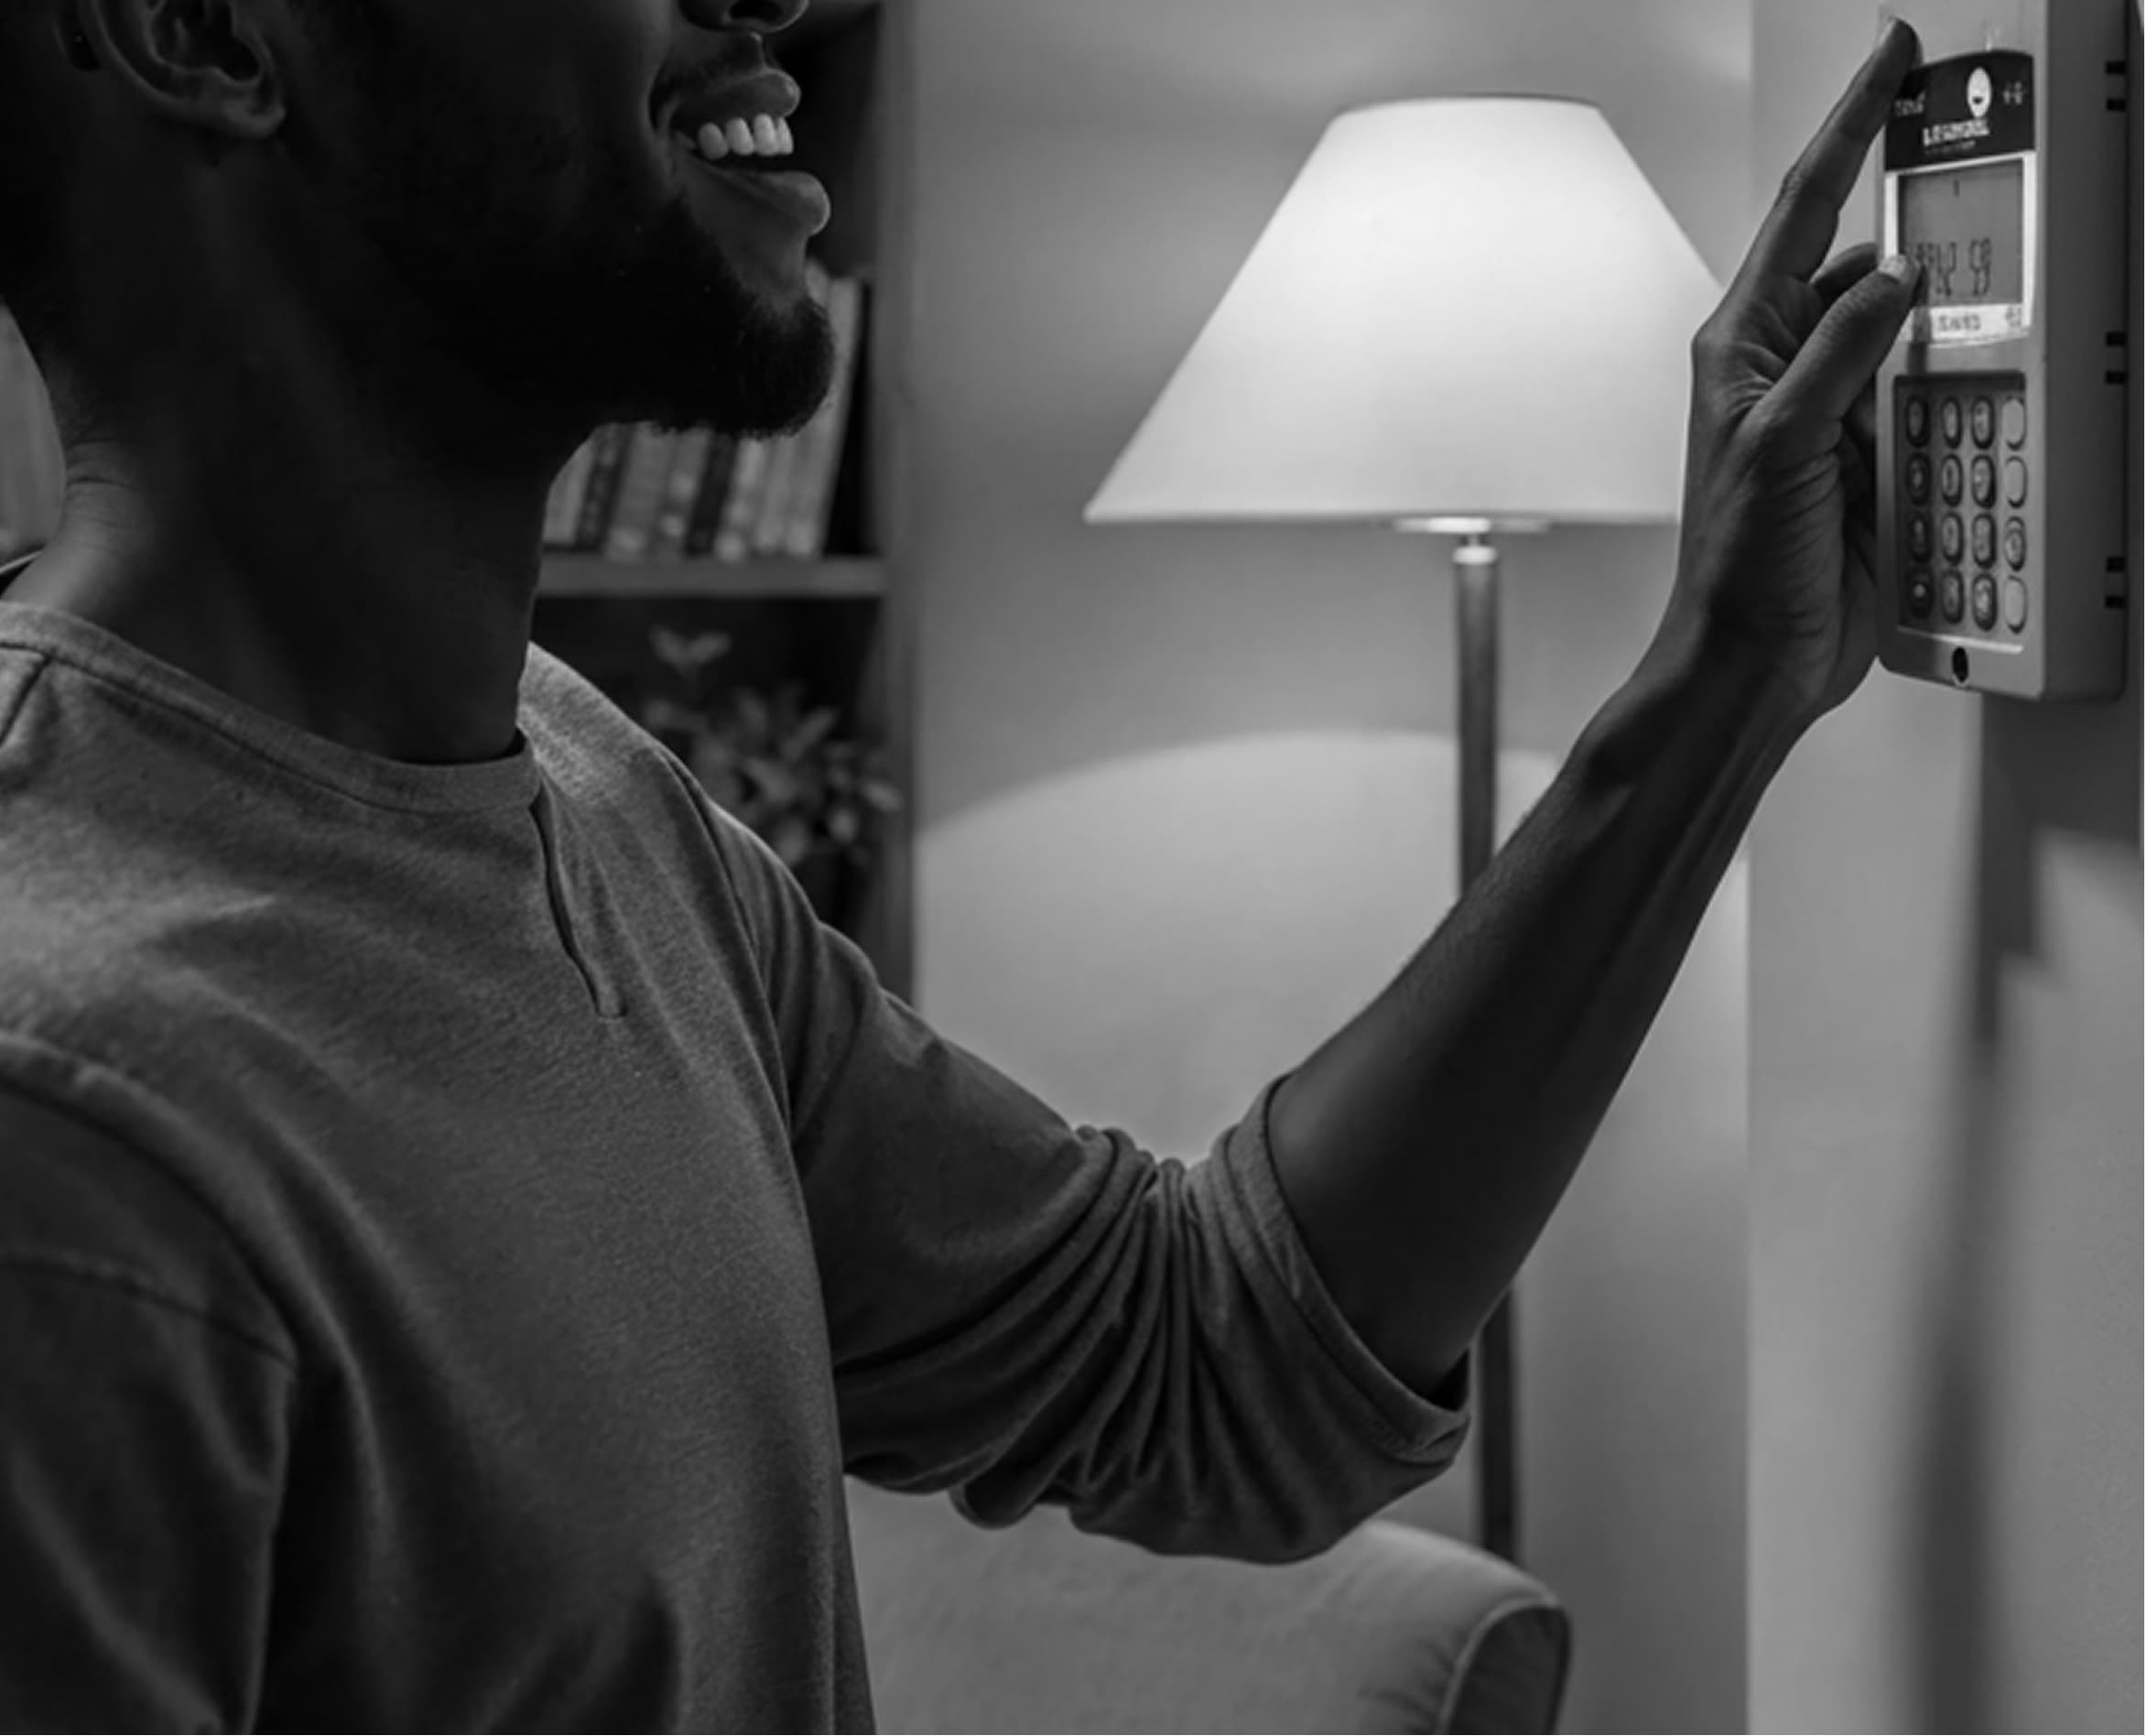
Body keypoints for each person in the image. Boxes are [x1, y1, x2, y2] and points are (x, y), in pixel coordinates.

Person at [0, 1, 1925, 1728]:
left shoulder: (594, 790)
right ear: (202, 32)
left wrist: (1724, 692)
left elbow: (1215, 1361)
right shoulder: (72, 1127)